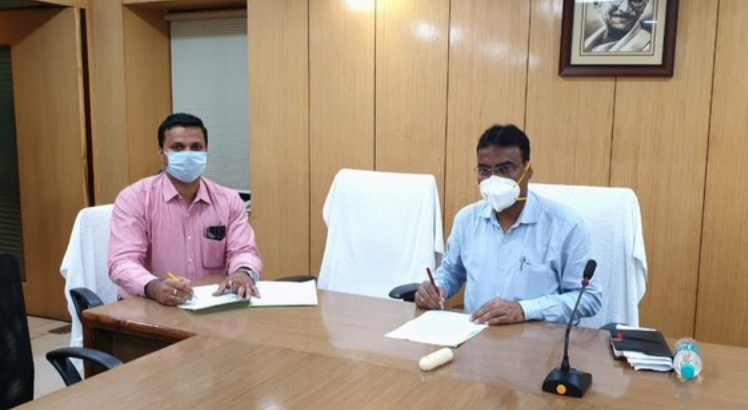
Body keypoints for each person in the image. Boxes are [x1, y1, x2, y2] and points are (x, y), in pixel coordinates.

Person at [415, 124, 602, 325]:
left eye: (505, 169)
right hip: (476, 333)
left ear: (528, 171)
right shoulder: (466, 220)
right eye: (484, 170)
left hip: (538, 338)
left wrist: (524, 310)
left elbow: (588, 297)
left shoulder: (566, 226)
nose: (494, 179)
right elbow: (451, 272)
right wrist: (436, 288)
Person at [108, 113, 262, 306]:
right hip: (149, 305)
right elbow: (122, 262)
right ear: (161, 153)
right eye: (178, 147)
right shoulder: (134, 198)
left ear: (206, 150)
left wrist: (243, 272)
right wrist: (154, 287)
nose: (188, 154)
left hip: (211, 304)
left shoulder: (229, 200)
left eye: (196, 147)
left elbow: (244, 250)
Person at [583, 0, 651, 53]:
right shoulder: (587, 43)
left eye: (636, 1)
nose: (624, 9)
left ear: (644, 7)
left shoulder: (648, 47)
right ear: (596, 3)